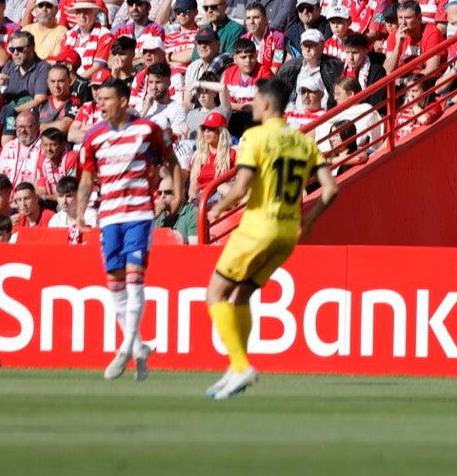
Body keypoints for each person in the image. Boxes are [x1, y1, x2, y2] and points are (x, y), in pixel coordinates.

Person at [204, 77, 339, 400]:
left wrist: (217, 207)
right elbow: (331, 188)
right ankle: (237, 369)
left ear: (265, 104)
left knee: (215, 295)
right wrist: (309, 220)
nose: (249, 105)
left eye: (253, 100)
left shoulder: (254, 137)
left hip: (257, 228)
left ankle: (240, 365)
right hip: (287, 232)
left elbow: (241, 187)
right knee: (241, 296)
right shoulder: (303, 141)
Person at [72, 79, 185, 382]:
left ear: (123, 101)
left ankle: (124, 348)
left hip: (139, 213)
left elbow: (172, 161)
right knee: (115, 284)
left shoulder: (147, 130)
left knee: (135, 280)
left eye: (107, 99)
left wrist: (178, 194)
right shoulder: (93, 137)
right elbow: (86, 178)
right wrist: (80, 213)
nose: (101, 105)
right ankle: (138, 345)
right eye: (99, 100)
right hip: (108, 217)